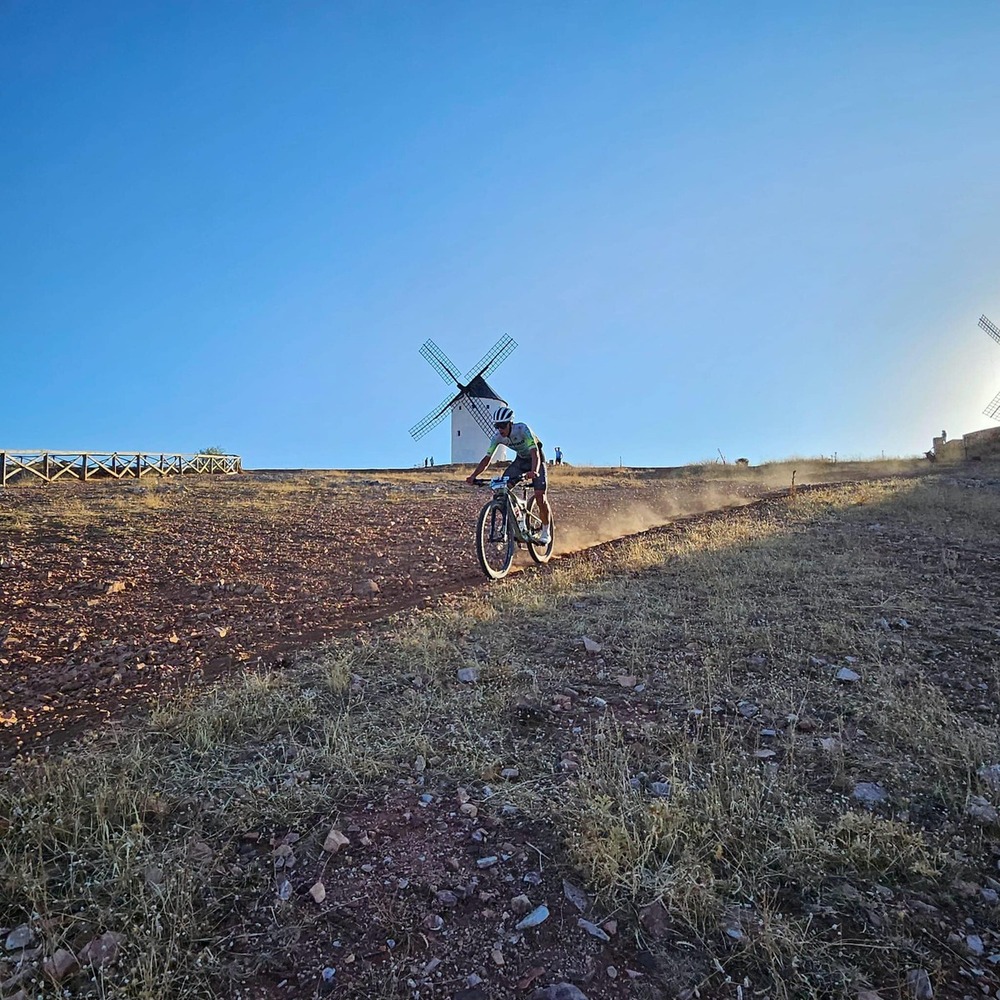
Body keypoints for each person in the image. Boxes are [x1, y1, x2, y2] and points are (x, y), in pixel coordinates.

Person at [466, 406, 551, 544]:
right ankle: (512, 521)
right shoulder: (497, 437)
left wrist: (534, 471)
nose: (500, 429)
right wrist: (473, 475)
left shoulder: (522, 429)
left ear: (510, 423)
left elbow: (535, 453)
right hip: (520, 461)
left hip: (536, 459)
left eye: (502, 425)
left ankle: (546, 530)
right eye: (497, 426)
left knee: (540, 496)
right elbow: (487, 459)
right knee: (502, 489)